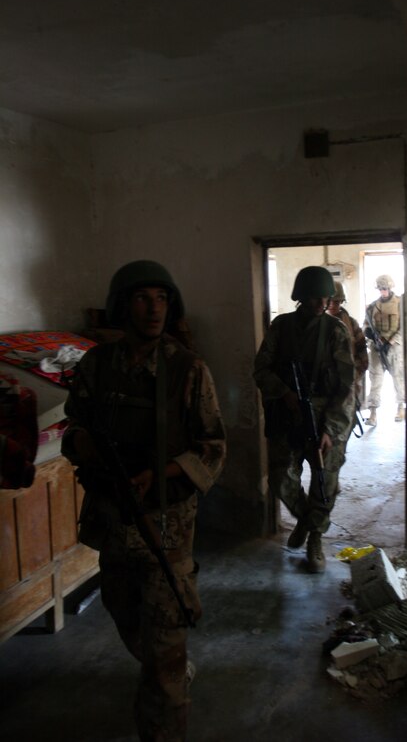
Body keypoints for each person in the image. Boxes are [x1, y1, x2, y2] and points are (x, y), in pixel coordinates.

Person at [61, 260, 226, 742]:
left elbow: (213, 446)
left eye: (161, 298)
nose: (154, 309)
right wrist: (83, 444)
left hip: (166, 525)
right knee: (123, 610)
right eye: (141, 298)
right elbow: (74, 425)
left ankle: (166, 706)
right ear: (122, 305)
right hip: (112, 522)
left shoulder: (188, 369)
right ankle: (167, 662)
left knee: (164, 650)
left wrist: (163, 472)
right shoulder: (97, 365)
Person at [253, 266, 354, 573]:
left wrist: (331, 430)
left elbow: (347, 387)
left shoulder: (337, 331)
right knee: (282, 478)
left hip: (325, 417)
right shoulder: (281, 327)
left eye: (324, 297)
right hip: (289, 414)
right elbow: (261, 369)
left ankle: (314, 538)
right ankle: (308, 521)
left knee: (325, 483)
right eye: (313, 298)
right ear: (301, 297)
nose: (320, 303)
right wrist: (284, 393)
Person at [363, 273, 405, 426]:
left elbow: (404, 326)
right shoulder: (373, 306)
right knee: (375, 379)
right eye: (381, 289)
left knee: (398, 378)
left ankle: (401, 407)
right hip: (377, 346)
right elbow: (366, 325)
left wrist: (392, 341)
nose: (383, 292)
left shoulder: (400, 303)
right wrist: (369, 335)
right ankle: (373, 413)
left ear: (390, 287)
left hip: (394, 347)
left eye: (385, 288)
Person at [326, 281, 368, 417]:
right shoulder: (318, 325)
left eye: (337, 302)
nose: (333, 305)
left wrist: (353, 376)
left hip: (348, 383)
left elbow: (362, 355)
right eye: (330, 301)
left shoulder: (351, 324)